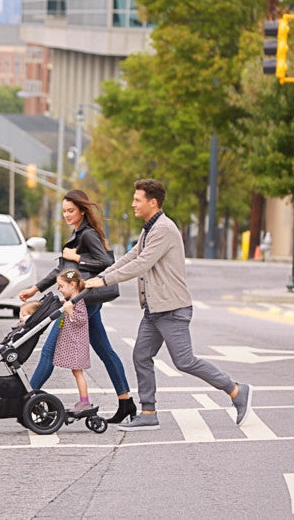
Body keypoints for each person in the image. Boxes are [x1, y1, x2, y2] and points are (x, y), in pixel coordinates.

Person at [85, 178, 253, 431]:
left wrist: (105, 280)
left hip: (172, 309)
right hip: (155, 310)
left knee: (184, 361)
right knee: (141, 355)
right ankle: (148, 412)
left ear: (153, 202)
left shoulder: (163, 229)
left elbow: (142, 264)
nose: (133, 204)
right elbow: (131, 257)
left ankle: (236, 390)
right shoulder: (149, 229)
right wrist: (100, 276)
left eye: (137, 200)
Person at [17, 189, 135, 423]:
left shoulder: (87, 234)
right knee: (105, 351)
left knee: (49, 351)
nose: (67, 215)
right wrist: (36, 288)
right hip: (85, 301)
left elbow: (106, 262)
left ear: (82, 210)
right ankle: (126, 401)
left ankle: (24, 399)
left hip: (81, 302)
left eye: (71, 210)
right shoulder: (77, 233)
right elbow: (63, 272)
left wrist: (78, 257)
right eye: (64, 211)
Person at [53, 269, 93, 413]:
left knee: (78, 372)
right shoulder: (72, 300)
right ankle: (83, 401)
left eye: (62, 286)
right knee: (76, 372)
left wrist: (69, 310)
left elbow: (82, 319)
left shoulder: (78, 301)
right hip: (74, 342)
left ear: (72, 284)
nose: (60, 289)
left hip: (77, 344)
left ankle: (85, 401)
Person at [0, 299, 42, 366]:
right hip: (11, 348)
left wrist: (28, 318)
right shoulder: (26, 326)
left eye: (24, 315)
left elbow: (28, 320)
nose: (20, 317)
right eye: (20, 314)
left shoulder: (29, 325)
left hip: (13, 351)